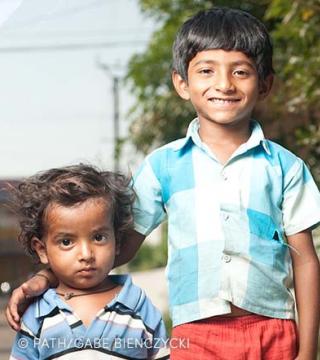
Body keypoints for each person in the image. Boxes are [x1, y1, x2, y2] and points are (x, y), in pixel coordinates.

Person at [7, 7, 320, 359]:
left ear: (265, 84)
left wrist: (307, 351)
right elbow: (113, 246)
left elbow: (305, 261)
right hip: (195, 338)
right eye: (206, 70)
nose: (224, 84)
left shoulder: (286, 168)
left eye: (241, 71)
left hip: (274, 331)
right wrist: (45, 278)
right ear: (182, 83)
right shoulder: (163, 166)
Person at [9, 164, 169, 360]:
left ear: (117, 241)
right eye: (67, 242)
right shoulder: (38, 314)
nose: (86, 254)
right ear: (42, 249)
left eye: (99, 238)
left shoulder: (137, 305)